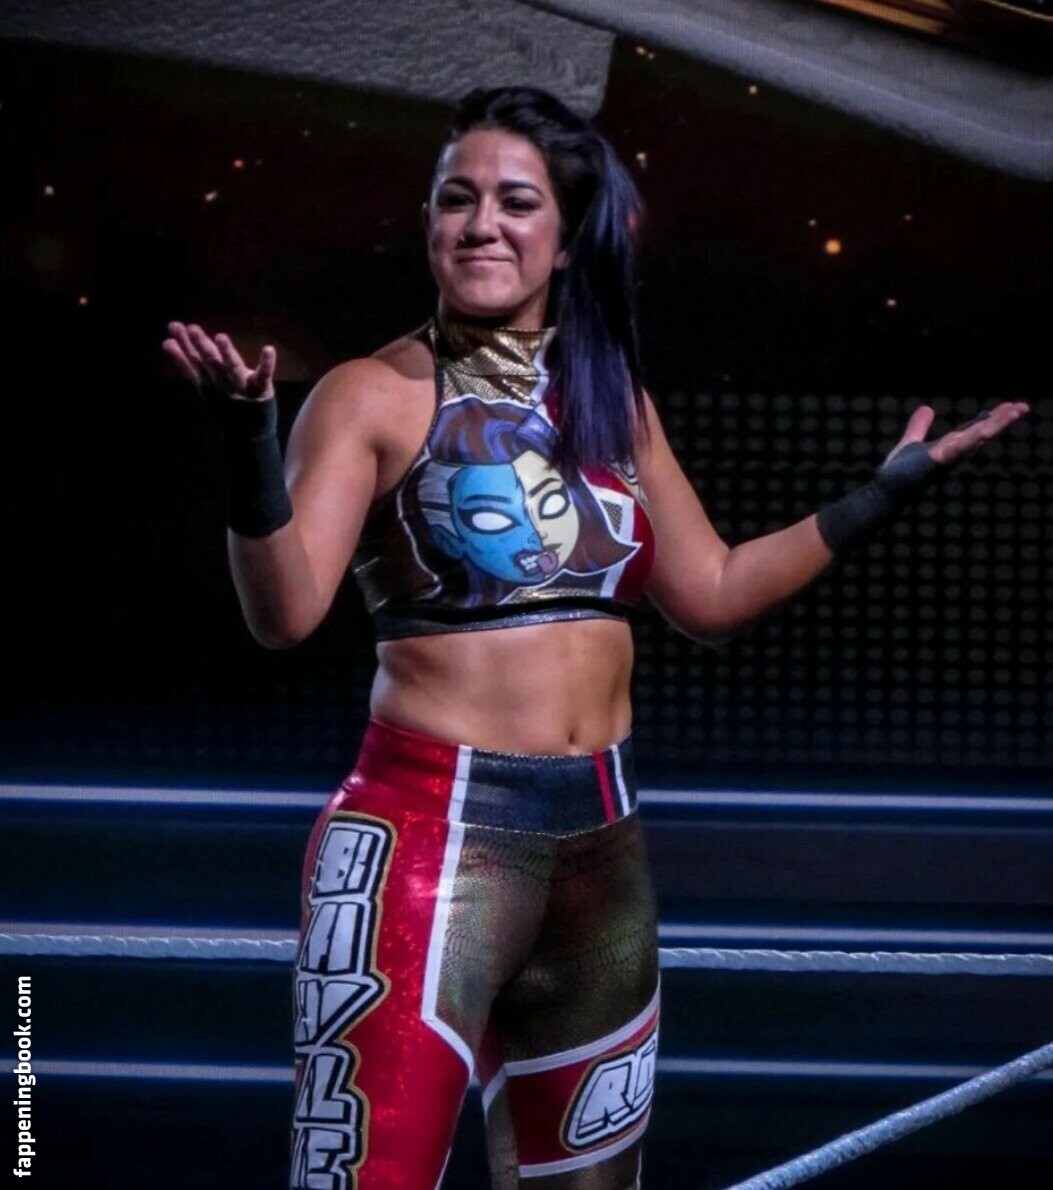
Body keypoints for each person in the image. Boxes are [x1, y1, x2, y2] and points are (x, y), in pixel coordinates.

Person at [162, 86, 1027, 1190]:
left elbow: (712, 592)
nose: (481, 224)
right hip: (429, 842)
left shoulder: (611, 395)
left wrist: (879, 496)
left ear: (566, 238)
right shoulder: (369, 395)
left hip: (602, 854)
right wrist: (247, 446)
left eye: (515, 201)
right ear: (426, 221)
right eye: (456, 199)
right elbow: (283, 614)